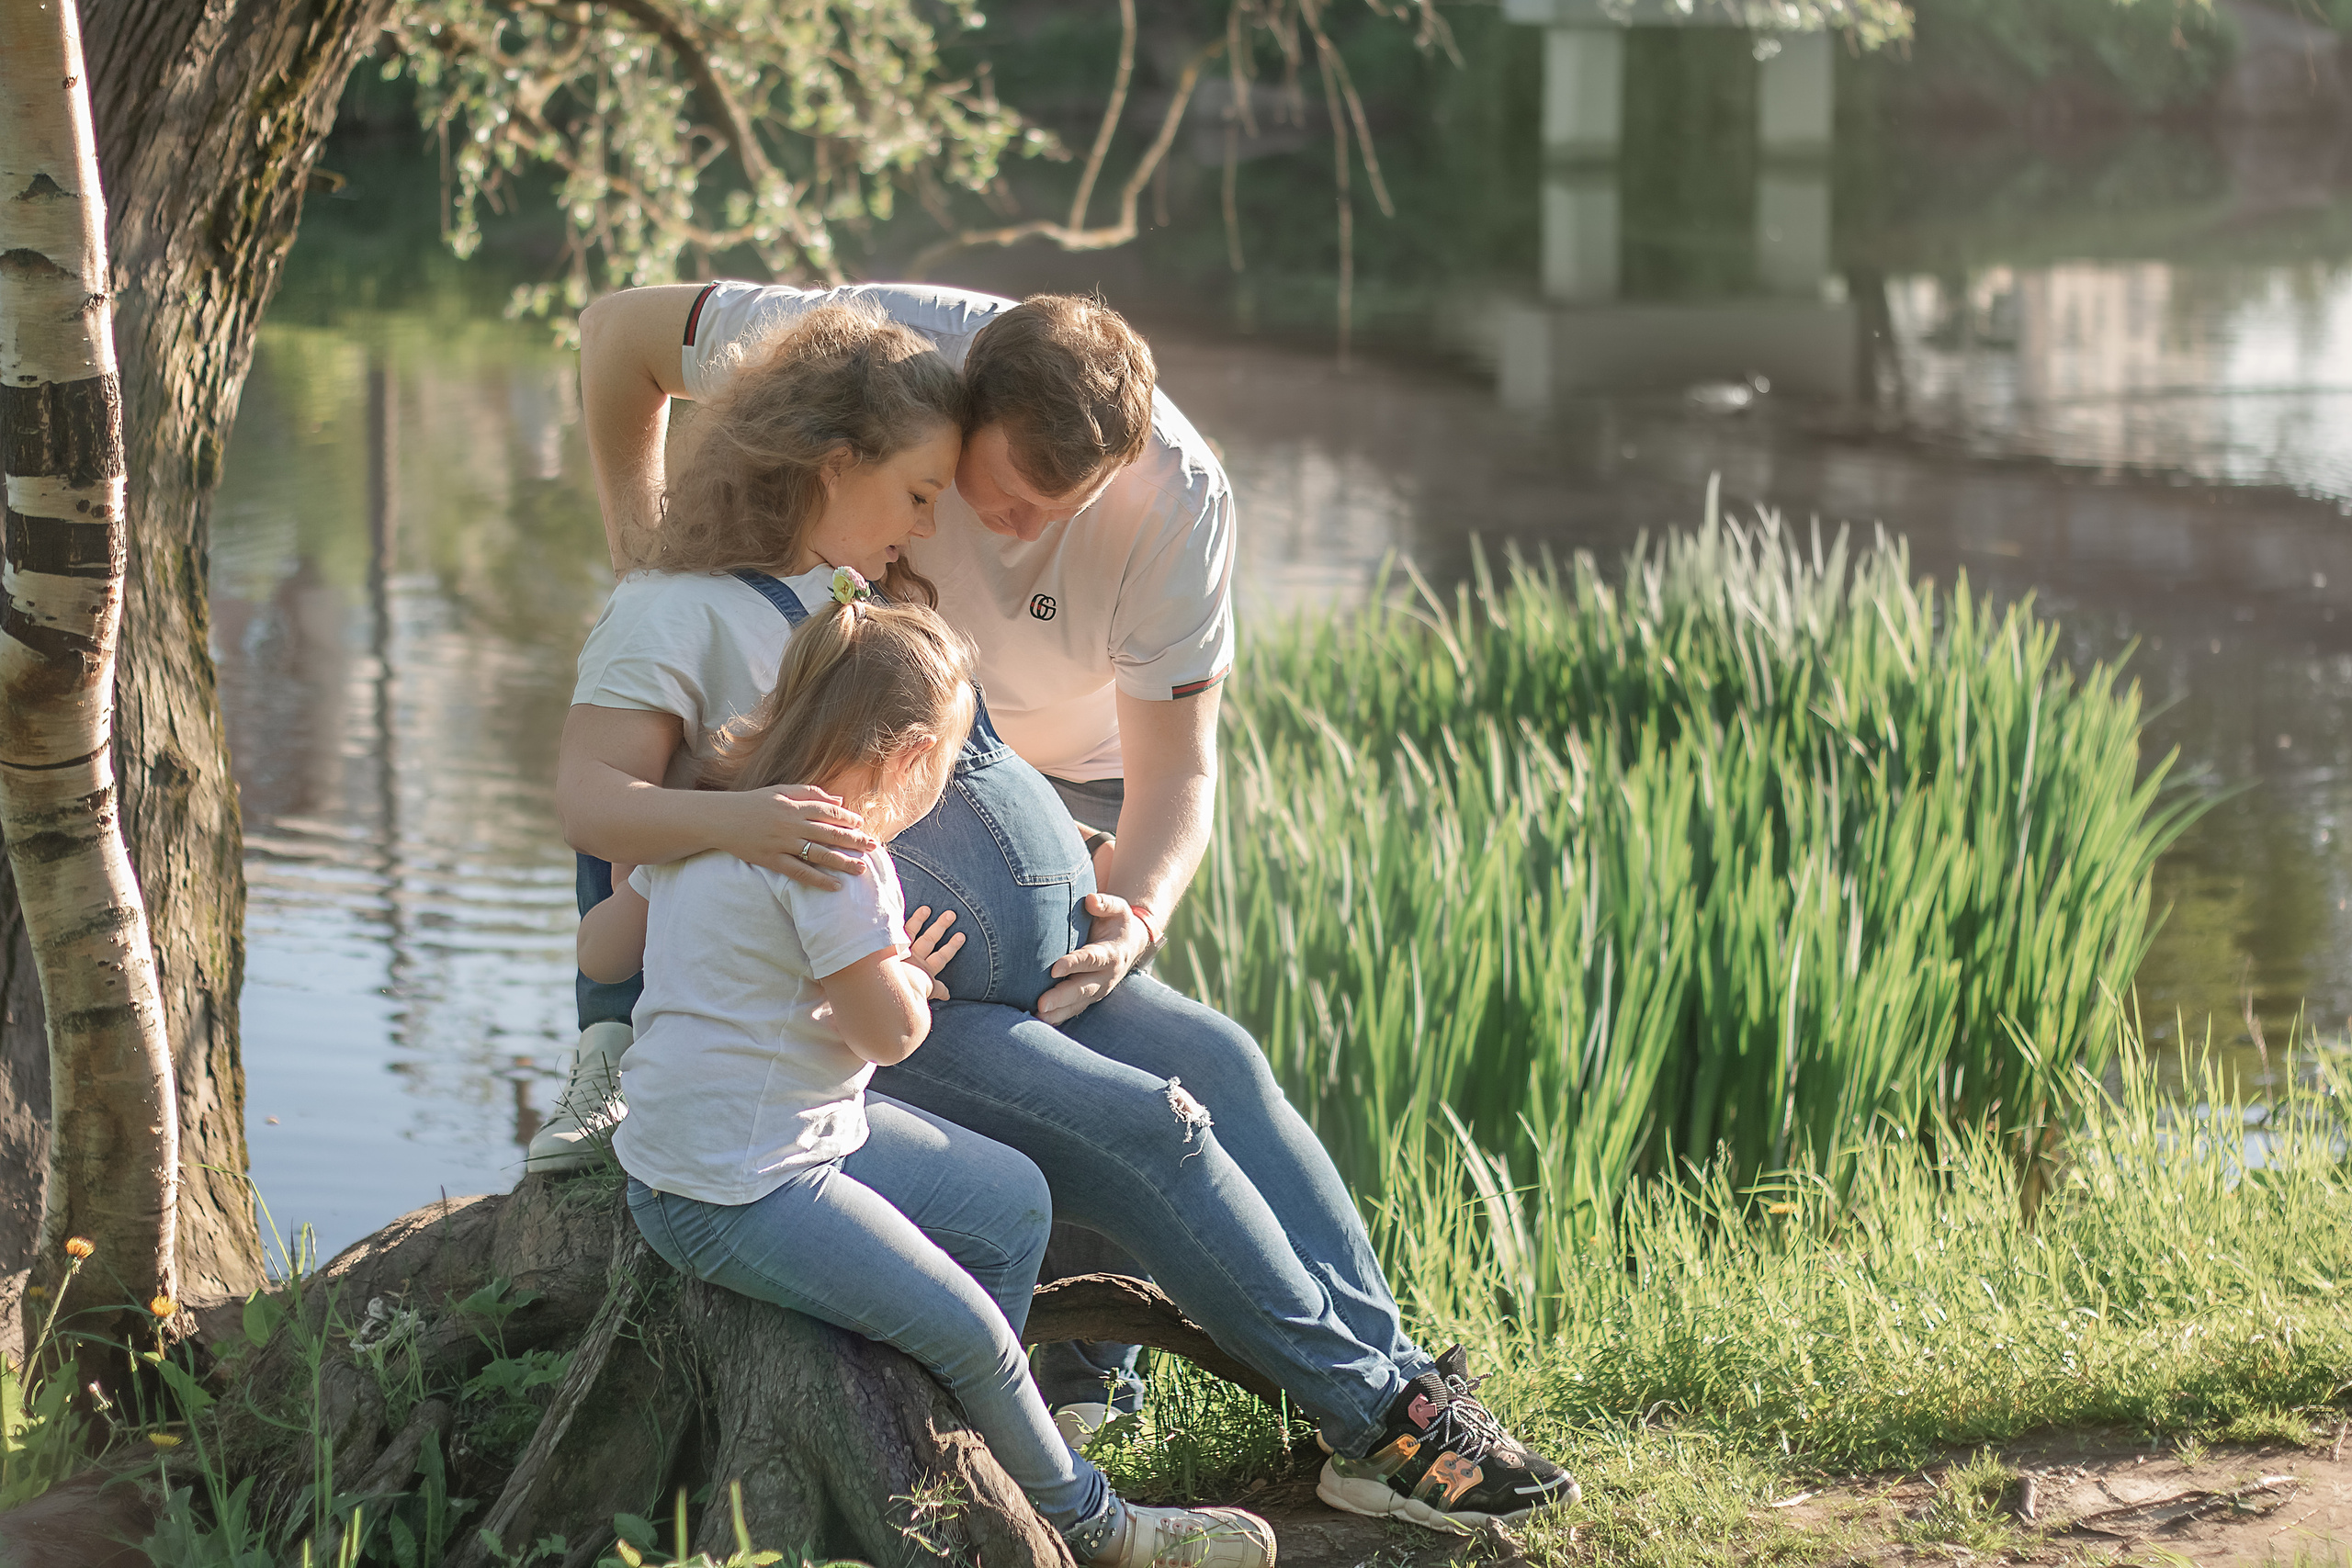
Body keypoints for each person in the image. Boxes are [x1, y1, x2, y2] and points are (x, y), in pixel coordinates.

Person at [559, 294, 1581, 1531]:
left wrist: (1129, 910)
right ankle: (1374, 1416)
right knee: (1156, 1124)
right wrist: (625, 1004)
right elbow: (614, 830)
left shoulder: (843, 582)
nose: (950, 527)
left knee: (1224, 1061)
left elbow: (1139, 768)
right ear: (844, 460)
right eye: (925, 491)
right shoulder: (701, 599)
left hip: (1014, 964)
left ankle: (1403, 1383)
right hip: (910, 999)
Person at [582, 571, 1277, 1568]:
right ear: (908, 758)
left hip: (759, 1139)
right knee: (979, 1337)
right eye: (944, 769)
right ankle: (1097, 1527)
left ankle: (953, 1449)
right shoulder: (844, 858)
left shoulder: (719, 811)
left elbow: (600, 954)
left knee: (1006, 1202)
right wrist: (902, 972)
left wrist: (649, 890)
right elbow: (890, 1039)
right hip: (732, 1188)